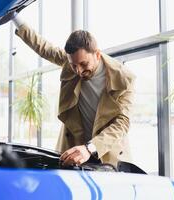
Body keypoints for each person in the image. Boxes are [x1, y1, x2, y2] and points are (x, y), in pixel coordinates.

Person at [11, 14, 135, 167]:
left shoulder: (124, 78)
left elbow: (122, 123)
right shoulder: (72, 62)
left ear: (97, 54)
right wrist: (14, 17)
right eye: (74, 65)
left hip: (106, 151)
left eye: (84, 64)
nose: (79, 71)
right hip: (74, 147)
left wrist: (90, 148)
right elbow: (43, 47)